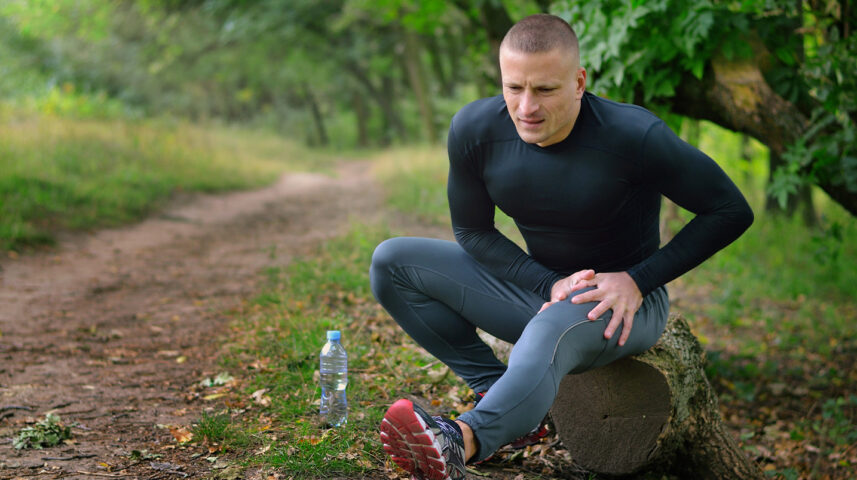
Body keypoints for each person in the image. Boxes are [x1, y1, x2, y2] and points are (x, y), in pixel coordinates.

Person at [370, 13, 753, 480]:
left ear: (578, 82)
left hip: (624, 305)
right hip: (542, 287)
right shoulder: (475, 129)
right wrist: (546, 282)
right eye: (514, 88)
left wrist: (639, 279)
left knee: (552, 327)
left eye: (545, 90)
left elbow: (731, 210)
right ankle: (496, 390)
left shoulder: (633, 136)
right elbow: (472, 232)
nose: (526, 106)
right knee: (392, 261)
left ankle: (464, 440)